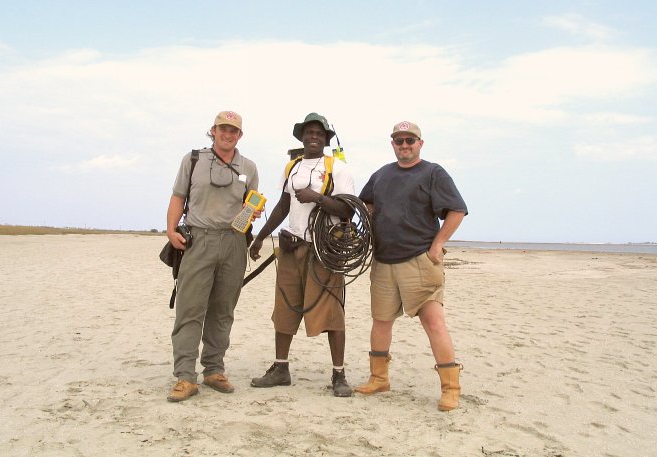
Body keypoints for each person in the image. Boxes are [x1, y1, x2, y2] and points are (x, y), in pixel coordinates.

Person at [355, 120, 468, 411]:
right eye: (398, 140)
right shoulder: (381, 175)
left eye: (409, 140)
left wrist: (437, 244)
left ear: (420, 143)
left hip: (419, 260)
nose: (404, 145)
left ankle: (450, 388)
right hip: (383, 261)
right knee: (381, 321)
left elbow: (456, 210)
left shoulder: (433, 173)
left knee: (433, 322)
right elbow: (365, 205)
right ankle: (379, 378)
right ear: (392, 143)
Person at [248, 113, 355, 397]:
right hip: (291, 247)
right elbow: (283, 207)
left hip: (324, 250)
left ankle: (339, 376)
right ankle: (281, 369)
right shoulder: (292, 167)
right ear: (301, 137)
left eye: (319, 133)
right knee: (285, 308)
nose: (313, 137)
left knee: (331, 310)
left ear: (326, 138)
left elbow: (348, 210)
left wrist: (317, 197)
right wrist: (260, 237)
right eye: (308, 132)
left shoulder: (338, 168)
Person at [166, 110, 260, 402]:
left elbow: (250, 206)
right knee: (190, 309)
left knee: (223, 310)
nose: (227, 134)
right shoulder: (193, 160)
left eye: (233, 130)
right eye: (223, 129)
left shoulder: (249, 166)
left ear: (240, 135)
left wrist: (253, 213)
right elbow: (178, 196)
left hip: (234, 242)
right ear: (213, 130)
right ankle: (184, 376)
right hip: (199, 240)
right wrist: (170, 230)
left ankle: (214, 370)